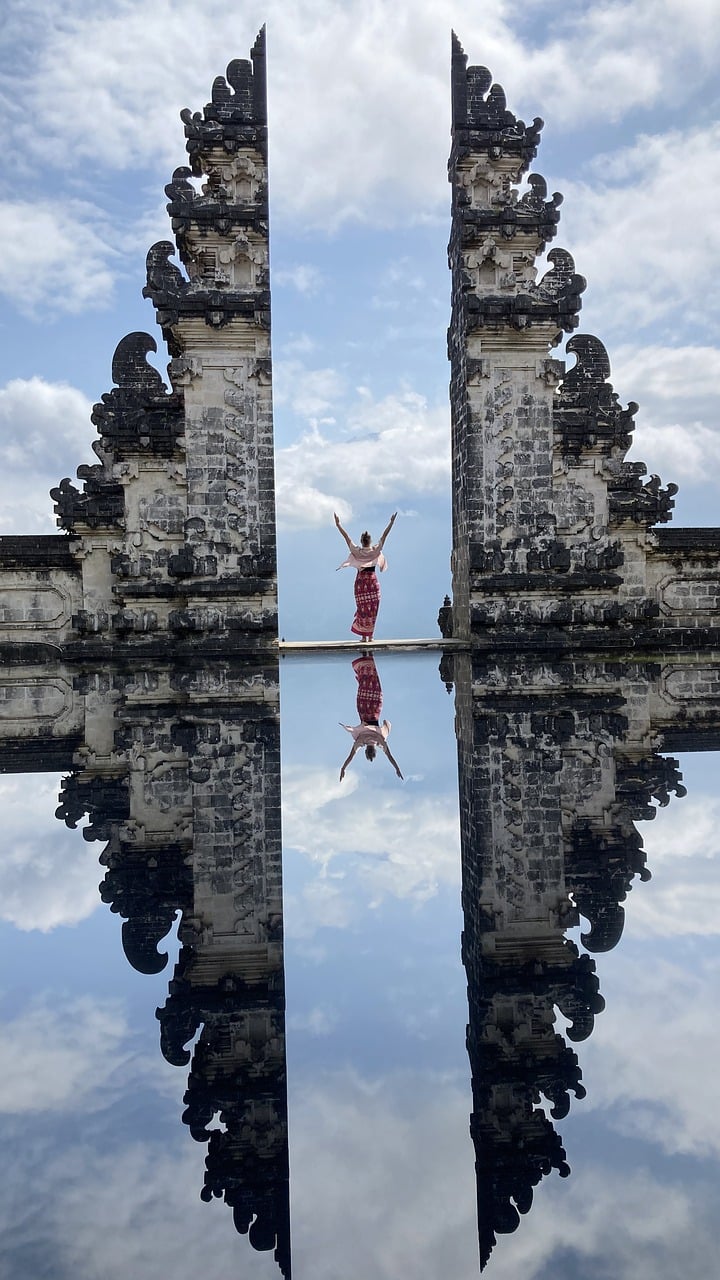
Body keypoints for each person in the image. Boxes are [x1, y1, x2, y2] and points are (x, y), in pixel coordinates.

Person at [334, 511, 397, 641]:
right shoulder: (375, 550)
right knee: (372, 609)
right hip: (372, 582)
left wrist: (338, 524)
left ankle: (364, 636)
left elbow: (346, 537)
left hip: (361, 583)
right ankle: (371, 635)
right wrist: (391, 522)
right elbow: (385, 535)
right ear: (370, 541)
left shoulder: (357, 551)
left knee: (362, 609)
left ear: (362, 541)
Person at [339, 655, 403, 781]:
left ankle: (369, 659)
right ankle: (364, 660)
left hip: (375, 708)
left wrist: (397, 768)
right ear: (365, 751)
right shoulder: (360, 742)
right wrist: (343, 768)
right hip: (363, 709)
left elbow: (390, 756)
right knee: (364, 684)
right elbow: (350, 757)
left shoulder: (381, 742)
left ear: (375, 750)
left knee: (374, 684)